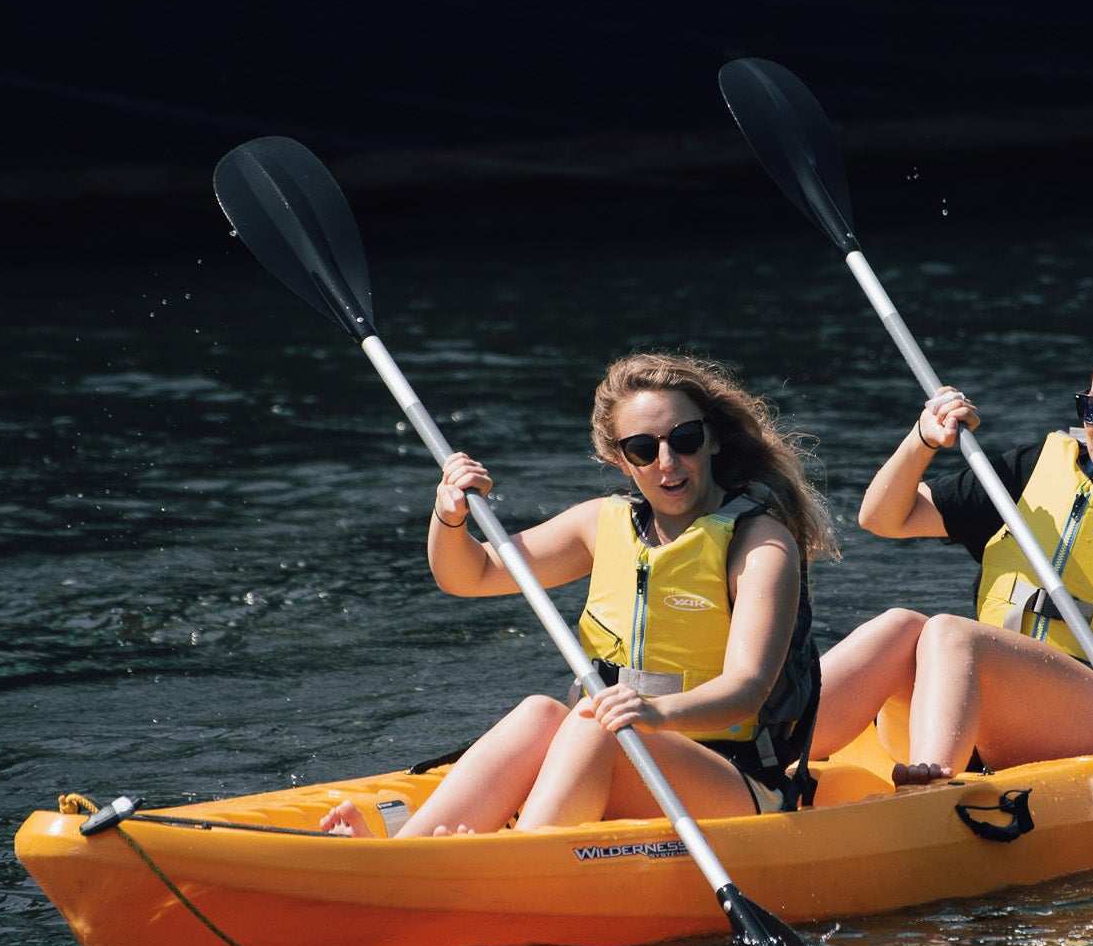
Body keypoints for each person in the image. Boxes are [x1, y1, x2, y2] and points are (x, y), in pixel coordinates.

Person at [322, 352, 837, 837]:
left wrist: (654, 715)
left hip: (734, 779)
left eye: (683, 438)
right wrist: (449, 517)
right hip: (629, 748)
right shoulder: (598, 524)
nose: (668, 462)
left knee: (594, 721)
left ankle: (512, 861)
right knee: (540, 713)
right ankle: (406, 853)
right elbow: (469, 575)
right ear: (620, 460)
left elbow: (745, 689)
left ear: (712, 440)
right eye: (643, 448)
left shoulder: (759, 542)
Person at [810, 328, 1093, 781]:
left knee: (950, 632)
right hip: (973, 707)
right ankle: (768, 747)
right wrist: (922, 440)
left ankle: (931, 793)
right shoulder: (1030, 472)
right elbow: (883, 518)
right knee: (899, 627)